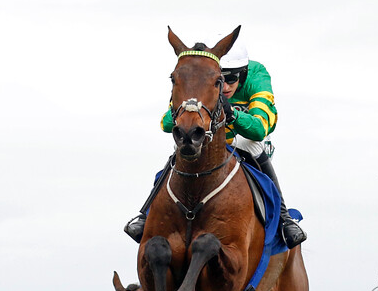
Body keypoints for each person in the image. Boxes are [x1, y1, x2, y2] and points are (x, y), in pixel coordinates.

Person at [124, 39, 307, 249]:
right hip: (208, 139)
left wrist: (233, 115)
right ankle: (146, 214)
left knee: (252, 145)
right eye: (221, 80)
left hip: (243, 138)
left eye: (232, 79)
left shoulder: (257, 75)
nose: (226, 87)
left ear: (244, 74)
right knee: (180, 151)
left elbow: (259, 129)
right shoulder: (198, 73)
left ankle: (284, 219)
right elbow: (166, 123)